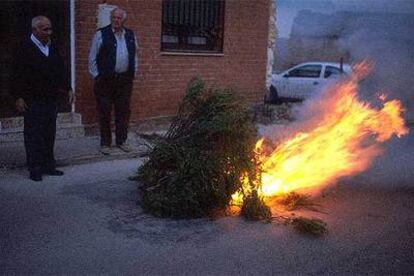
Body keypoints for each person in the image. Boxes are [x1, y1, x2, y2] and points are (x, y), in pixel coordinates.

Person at [12, 15, 75, 182]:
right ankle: (35, 168)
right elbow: (15, 75)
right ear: (35, 30)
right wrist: (18, 97)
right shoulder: (23, 48)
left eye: (50, 29)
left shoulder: (51, 48)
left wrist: (68, 88)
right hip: (32, 100)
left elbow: (61, 69)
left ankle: (49, 165)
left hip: (50, 98)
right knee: (33, 135)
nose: (49, 32)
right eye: (45, 29)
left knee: (49, 133)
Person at [88, 7, 138, 155]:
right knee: (104, 112)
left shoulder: (130, 34)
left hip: (124, 80)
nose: (116, 20)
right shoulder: (101, 34)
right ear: (111, 18)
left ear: (124, 20)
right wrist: (97, 76)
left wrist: (133, 72)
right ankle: (105, 143)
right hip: (105, 81)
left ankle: (121, 141)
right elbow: (92, 58)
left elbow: (134, 55)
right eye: (114, 17)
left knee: (123, 112)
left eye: (119, 18)